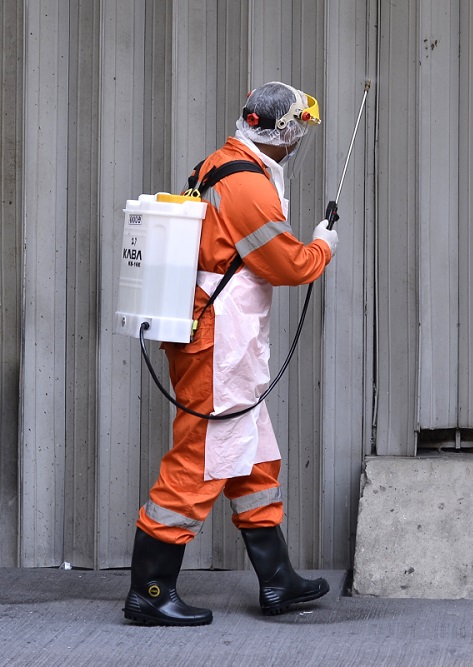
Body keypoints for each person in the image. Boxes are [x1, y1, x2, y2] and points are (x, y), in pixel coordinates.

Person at [123, 82, 340, 626]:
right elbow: (286, 265)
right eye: (297, 132)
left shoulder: (219, 164)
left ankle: (277, 580)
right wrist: (323, 247)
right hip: (220, 343)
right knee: (197, 463)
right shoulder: (247, 185)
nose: (298, 143)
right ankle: (149, 593)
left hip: (224, 338)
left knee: (255, 457)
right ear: (282, 131)